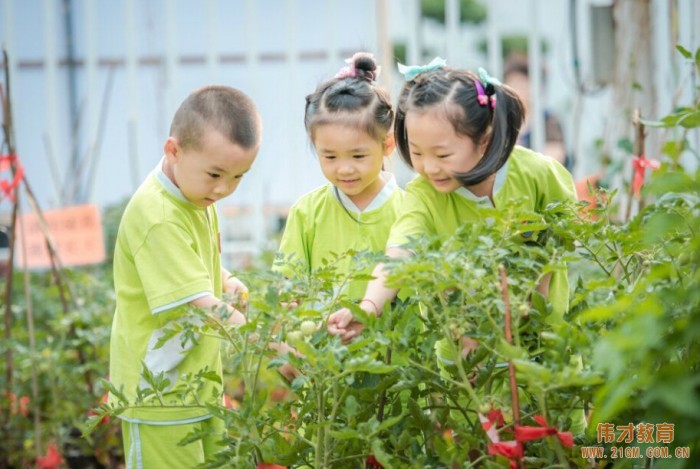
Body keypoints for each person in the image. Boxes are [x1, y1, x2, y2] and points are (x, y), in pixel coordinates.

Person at [327, 58, 585, 433]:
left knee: (563, 438)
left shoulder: (539, 175)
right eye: (417, 152)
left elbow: (567, 236)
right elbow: (400, 252)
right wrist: (368, 306)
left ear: (484, 138)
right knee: (476, 445)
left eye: (443, 154)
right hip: (467, 359)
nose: (429, 167)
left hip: (544, 343)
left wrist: (533, 299)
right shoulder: (424, 195)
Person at [109, 85, 262, 467]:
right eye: (215, 174)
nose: (224, 189)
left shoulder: (194, 193)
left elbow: (189, 260)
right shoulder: (158, 216)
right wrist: (264, 342)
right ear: (173, 150)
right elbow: (204, 306)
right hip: (158, 395)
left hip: (195, 383)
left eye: (238, 177)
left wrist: (224, 278)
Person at [274, 52, 403, 305]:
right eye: (330, 157)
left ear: (387, 144)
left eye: (357, 156)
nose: (344, 169)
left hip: (399, 346)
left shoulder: (409, 210)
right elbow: (287, 286)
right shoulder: (307, 212)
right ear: (315, 145)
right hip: (323, 343)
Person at [503, 54, 574, 172]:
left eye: (521, 84)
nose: (515, 90)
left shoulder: (548, 121)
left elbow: (553, 160)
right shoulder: (502, 121)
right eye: (511, 84)